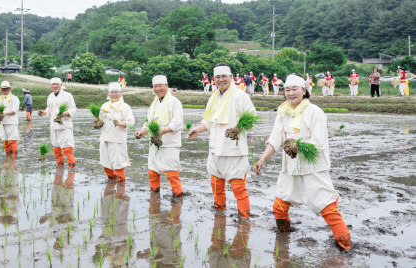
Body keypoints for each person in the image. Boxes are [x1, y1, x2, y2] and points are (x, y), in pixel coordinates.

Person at [252, 73, 352, 251]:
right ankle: (282, 240)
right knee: (279, 207)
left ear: (304, 91)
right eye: (287, 90)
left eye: (295, 89)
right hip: (290, 169)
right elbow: (275, 139)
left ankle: (345, 244)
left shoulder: (315, 112)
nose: (290, 93)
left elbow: (319, 142)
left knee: (328, 209)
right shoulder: (283, 112)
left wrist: (298, 146)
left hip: (312, 170)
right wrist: (262, 159)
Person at [189, 63, 256, 217]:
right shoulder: (213, 98)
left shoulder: (240, 96)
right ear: (214, 79)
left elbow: (252, 118)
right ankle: (220, 213)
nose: (221, 80)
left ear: (231, 77)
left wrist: (239, 128)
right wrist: (198, 129)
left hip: (234, 149)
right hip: (215, 148)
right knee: (216, 184)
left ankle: (244, 218)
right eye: (218, 77)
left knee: (238, 187)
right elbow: (209, 121)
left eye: (224, 76)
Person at [135, 74, 184, 198]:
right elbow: (149, 122)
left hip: (169, 144)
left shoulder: (174, 102)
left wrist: (162, 131)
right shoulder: (154, 103)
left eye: (160, 86)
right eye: (155, 86)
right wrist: (142, 131)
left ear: (167, 86)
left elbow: (177, 123)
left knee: (172, 173)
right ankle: (154, 195)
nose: (157, 89)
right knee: (152, 171)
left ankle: (177, 197)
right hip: (155, 144)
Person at [96, 82, 135, 182]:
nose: (114, 94)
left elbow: (131, 122)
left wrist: (119, 123)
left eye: (116, 92)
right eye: (112, 92)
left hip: (118, 140)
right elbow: (101, 121)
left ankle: (121, 185)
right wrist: (97, 121)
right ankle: (111, 181)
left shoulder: (125, 107)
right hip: (105, 138)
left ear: (120, 93)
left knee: (118, 163)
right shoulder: (105, 106)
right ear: (108, 94)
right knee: (105, 162)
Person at [38, 77, 77, 168]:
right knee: (56, 148)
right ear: (51, 86)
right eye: (53, 84)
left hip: (65, 126)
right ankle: (60, 167)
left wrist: (64, 114)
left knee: (67, 148)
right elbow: (49, 111)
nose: (55, 86)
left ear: (61, 85)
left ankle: (72, 168)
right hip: (54, 126)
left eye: (57, 84)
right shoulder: (50, 96)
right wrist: (44, 113)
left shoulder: (67, 95)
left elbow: (73, 109)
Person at [0, 81, 20, 155]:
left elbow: (14, 110)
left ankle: (15, 160)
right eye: (3, 89)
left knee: (12, 141)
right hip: (2, 122)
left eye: (6, 88)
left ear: (9, 89)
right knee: (5, 141)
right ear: (1, 90)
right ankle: (8, 158)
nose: (5, 90)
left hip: (11, 122)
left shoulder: (14, 98)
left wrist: (5, 113)